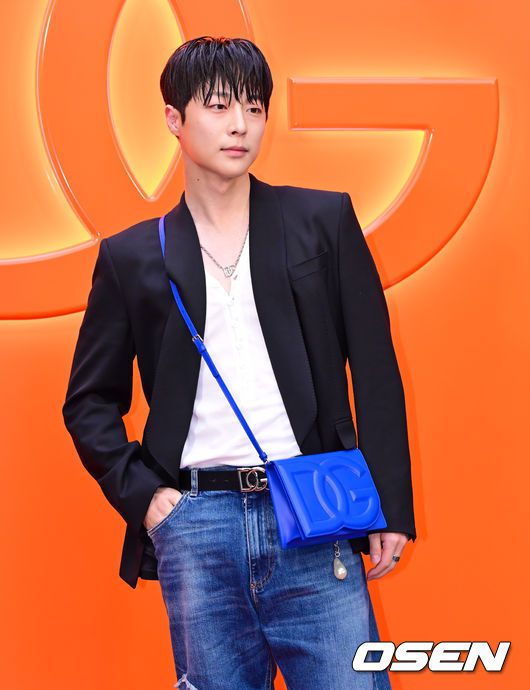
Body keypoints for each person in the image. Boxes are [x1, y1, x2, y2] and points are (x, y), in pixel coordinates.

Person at [62, 35, 416, 690]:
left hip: (313, 513)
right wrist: (149, 500)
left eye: (254, 108)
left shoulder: (322, 221)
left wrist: (390, 506)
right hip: (197, 523)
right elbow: (88, 401)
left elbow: (374, 368)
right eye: (220, 106)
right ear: (174, 118)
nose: (240, 125)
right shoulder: (133, 255)